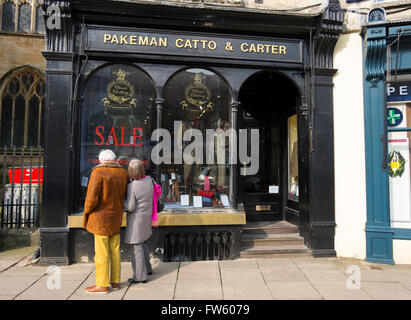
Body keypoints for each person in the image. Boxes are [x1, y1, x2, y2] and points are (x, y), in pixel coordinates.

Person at [82, 149, 129, 294]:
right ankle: (115, 282)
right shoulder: (123, 173)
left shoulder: (98, 172)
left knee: (101, 252)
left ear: (101, 160)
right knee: (115, 250)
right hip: (116, 217)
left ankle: (101, 284)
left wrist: (87, 211)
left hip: (100, 218)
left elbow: (91, 198)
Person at [124, 159, 154, 284]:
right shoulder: (150, 180)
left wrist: (120, 202)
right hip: (147, 217)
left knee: (136, 247)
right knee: (144, 243)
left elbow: (130, 207)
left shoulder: (132, 186)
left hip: (136, 220)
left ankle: (140, 276)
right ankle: (147, 269)